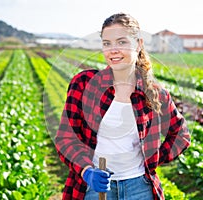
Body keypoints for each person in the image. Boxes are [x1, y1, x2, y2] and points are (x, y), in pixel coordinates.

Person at [55, 13, 191, 200]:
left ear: (139, 44)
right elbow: (65, 138)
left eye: (121, 42)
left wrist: (152, 159)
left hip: (140, 188)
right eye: (107, 43)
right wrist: (87, 171)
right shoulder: (85, 84)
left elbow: (181, 135)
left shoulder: (154, 93)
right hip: (95, 188)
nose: (113, 50)